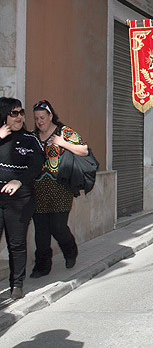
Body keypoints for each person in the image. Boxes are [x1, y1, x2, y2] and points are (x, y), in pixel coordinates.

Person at [29, 100, 88, 278]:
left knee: (57, 226)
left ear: (50, 116)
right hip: (38, 188)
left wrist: (63, 143)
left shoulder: (63, 132)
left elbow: (84, 150)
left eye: (42, 117)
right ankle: (42, 265)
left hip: (60, 187)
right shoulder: (32, 136)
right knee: (41, 230)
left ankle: (70, 250)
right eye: (37, 118)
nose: (40, 121)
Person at [0, 98, 45, 299]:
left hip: (20, 199)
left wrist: (19, 182)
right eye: (14, 113)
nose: (19, 117)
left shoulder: (30, 139)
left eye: (21, 112)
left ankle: (16, 284)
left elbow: (36, 166)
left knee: (16, 243)